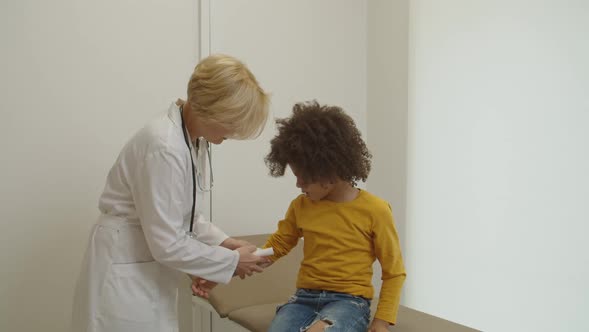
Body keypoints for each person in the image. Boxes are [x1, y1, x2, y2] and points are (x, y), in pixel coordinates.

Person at [71, 54, 270, 332]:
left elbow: (185, 215)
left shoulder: (187, 141)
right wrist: (232, 262)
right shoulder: (165, 146)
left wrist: (225, 243)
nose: (235, 131)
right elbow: (167, 242)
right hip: (125, 264)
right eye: (233, 120)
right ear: (214, 109)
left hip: (144, 263)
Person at [262, 101, 406, 332]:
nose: (298, 184)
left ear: (328, 173)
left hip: (349, 302)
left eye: (303, 178)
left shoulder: (376, 210)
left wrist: (382, 320)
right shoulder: (301, 206)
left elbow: (394, 271)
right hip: (302, 300)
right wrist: (240, 263)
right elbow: (279, 244)